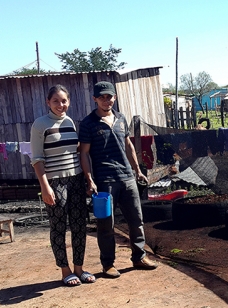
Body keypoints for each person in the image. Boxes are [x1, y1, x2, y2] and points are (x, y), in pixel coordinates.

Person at [78, 81, 158, 277]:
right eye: (102, 97)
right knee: (106, 224)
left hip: (127, 178)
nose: (107, 101)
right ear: (95, 99)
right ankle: (108, 264)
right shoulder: (88, 123)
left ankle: (139, 257)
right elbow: (84, 154)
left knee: (136, 220)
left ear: (114, 97)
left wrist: (137, 170)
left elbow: (128, 145)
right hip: (105, 181)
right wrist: (90, 180)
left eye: (110, 97)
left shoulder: (121, 118)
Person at [31, 84, 95, 286]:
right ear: (48, 102)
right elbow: (37, 159)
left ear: (69, 102)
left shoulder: (69, 122)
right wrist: (45, 187)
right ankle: (65, 271)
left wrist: (86, 178)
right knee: (58, 227)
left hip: (75, 180)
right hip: (54, 182)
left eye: (64, 100)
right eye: (56, 101)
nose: (60, 104)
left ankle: (79, 268)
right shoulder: (40, 125)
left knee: (79, 226)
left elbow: (75, 153)